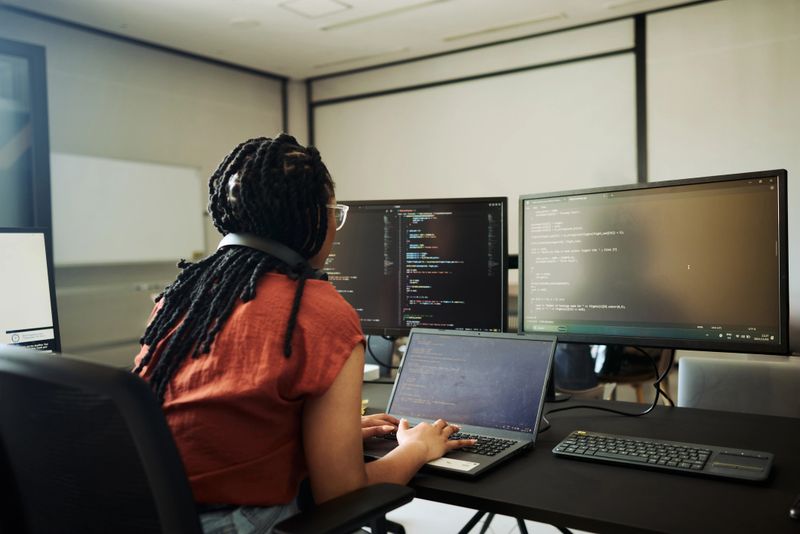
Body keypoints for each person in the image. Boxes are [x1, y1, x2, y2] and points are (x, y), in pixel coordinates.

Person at [132, 134, 474, 533]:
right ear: (313, 218)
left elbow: (217, 421)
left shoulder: (183, 295)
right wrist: (417, 448)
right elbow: (342, 494)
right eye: (333, 212)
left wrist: (327, 438)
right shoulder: (319, 310)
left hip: (142, 512)